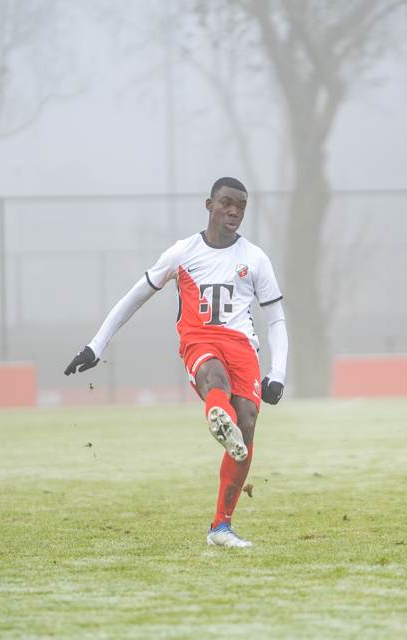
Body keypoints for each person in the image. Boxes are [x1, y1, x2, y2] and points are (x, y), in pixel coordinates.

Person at [64, 177, 288, 549]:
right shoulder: (183, 253)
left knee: (246, 425)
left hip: (243, 348)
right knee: (215, 380)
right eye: (226, 203)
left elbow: (276, 318)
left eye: (241, 206)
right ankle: (219, 417)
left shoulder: (255, 259)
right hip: (199, 341)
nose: (234, 211)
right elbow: (134, 297)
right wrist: (95, 345)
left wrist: (277, 374)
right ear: (209, 205)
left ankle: (221, 527)